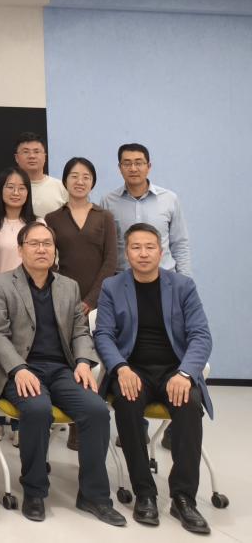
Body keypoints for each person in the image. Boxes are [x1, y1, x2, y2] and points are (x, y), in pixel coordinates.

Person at [0, 222, 124, 525]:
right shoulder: (0, 285)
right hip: (20, 369)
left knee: (97, 410)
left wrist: (83, 361)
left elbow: (81, 331)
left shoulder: (68, 286)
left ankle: (94, 496)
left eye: (47, 244)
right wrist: (19, 368)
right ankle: (34, 491)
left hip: (62, 369)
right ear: (20, 250)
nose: (42, 249)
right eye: (34, 244)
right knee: (37, 409)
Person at [95, 224, 213, 534]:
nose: (143, 253)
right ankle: (144, 492)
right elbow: (103, 335)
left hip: (175, 369)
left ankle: (183, 498)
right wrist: (121, 368)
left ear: (161, 252)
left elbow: (200, 335)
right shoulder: (112, 286)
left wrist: (185, 373)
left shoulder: (183, 286)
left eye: (150, 247)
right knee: (127, 402)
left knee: (190, 405)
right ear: (127, 252)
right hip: (133, 369)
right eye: (136, 247)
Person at [100, 143, 192, 276]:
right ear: (120, 168)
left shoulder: (169, 199)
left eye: (139, 163)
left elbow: (180, 244)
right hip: (123, 280)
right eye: (127, 163)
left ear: (149, 166)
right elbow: (105, 249)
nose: (133, 168)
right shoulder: (108, 202)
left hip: (163, 278)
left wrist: (185, 281)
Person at [46, 158, 118, 314]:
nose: (80, 182)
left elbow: (111, 260)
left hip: (100, 299)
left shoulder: (104, 216)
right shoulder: (52, 218)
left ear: (92, 182)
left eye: (86, 177)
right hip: (63, 297)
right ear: (65, 180)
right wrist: (61, 291)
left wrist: (92, 300)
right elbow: (48, 258)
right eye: (74, 176)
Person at [0, 133, 68, 218]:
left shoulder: (62, 188)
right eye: (26, 152)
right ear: (16, 158)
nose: (32, 156)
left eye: (36, 151)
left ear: (45, 157)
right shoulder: (3, 188)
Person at [0, 166, 35, 276]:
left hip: (32, 285)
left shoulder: (38, 224)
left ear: (28, 192)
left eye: (22, 188)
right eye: (10, 187)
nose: (16, 193)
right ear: (0, 190)